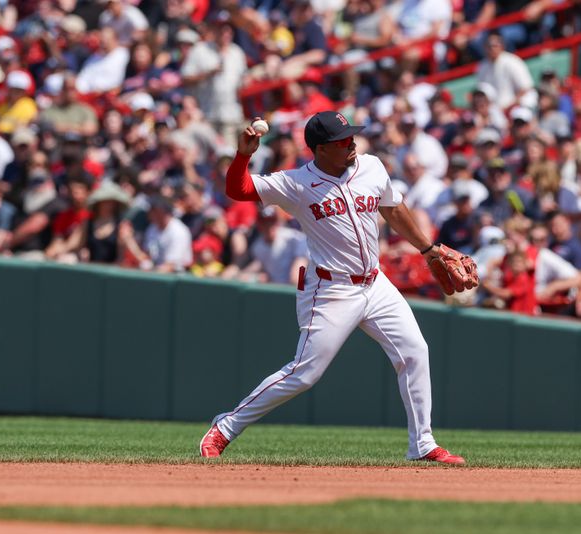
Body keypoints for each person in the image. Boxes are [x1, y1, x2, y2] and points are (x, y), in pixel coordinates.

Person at [200, 111, 474, 465]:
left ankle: (422, 443)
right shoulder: (296, 183)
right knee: (304, 374)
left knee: (415, 352)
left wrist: (428, 248)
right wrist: (244, 156)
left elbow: (393, 208)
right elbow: (237, 190)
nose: (352, 143)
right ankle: (225, 427)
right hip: (331, 290)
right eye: (342, 141)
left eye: (351, 136)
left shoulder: (371, 166)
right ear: (320, 149)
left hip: (376, 284)